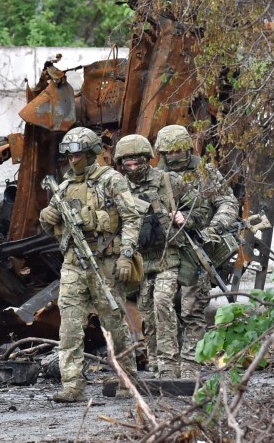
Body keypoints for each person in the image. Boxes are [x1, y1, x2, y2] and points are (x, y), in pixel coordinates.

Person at [38, 127, 141, 403]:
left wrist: (126, 255)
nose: (73, 160)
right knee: (69, 325)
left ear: (92, 153)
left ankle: (128, 378)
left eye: (79, 154)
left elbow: (131, 218)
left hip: (104, 261)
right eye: (69, 155)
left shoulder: (111, 181)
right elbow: (55, 230)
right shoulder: (62, 188)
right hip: (73, 263)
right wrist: (47, 218)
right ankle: (73, 386)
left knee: (113, 323)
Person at [113, 134, 210, 379]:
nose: (133, 169)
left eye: (138, 163)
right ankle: (155, 360)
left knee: (162, 302)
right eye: (128, 165)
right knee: (146, 311)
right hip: (141, 261)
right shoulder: (119, 188)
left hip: (169, 256)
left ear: (148, 159)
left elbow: (201, 208)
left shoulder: (168, 181)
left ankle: (169, 364)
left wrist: (183, 217)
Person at [155, 124, 239, 378]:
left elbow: (227, 202)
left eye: (179, 150)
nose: (175, 156)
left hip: (199, 246)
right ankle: (165, 366)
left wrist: (216, 227)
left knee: (192, 308)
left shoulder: (203, 172)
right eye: (169, 152)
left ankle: (192, 365)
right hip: (166, 250)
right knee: (161, 306)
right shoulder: (155, 176)